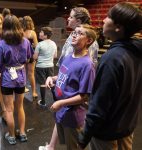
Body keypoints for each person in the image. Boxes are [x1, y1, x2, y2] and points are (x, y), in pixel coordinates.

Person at [78, 2, 142, 150]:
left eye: (108, 17)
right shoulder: (135, 50)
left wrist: (83, 138)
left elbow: (100, 104)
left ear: (118, 27)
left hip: (107, 132)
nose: (103, 20)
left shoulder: (113, 58)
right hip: (126, 126)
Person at [39, 7, 99, 150]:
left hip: (71, 111)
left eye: (79, 33)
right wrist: (52, 78)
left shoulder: (86, 64)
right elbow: (63, 74)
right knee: (65, 139)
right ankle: (51, 147)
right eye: (74, 33)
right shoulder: (68, 56)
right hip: (62, 108)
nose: (73, 35)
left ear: (88, 40)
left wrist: (62, 103)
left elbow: (83, 96)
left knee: (74, 145)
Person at [0, 15, 32, 145]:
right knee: (20, 107)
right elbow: (28, 58)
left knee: (9, 109)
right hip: (20, 78)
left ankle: (12, 135)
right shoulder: (25, 41)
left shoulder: (2, 44)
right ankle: (23, 133)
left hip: (7, 80)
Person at [33, 27, 57, 107]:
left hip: (40, 66)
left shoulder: (39, 44)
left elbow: (35, 57)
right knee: (51, 83)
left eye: (41, 32)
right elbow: (55, 56)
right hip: (50, 66)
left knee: (42, 84)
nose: (39, 33)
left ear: (46, 35)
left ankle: (43, 102)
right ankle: (56, 100)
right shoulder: (54, 43)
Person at [22, 15, 38, 100]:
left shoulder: (20, 32)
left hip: (22, 55)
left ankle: (23, 88)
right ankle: (34, 92)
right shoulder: (32, 33)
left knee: (23, 72)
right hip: (31, 55)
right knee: (31, 74)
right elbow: (36, 45)